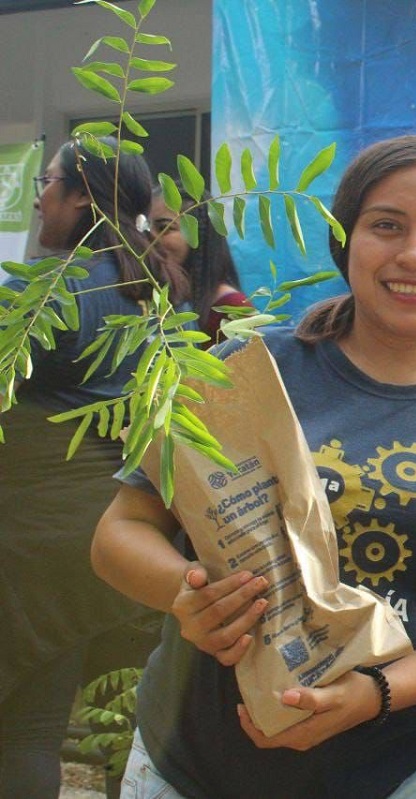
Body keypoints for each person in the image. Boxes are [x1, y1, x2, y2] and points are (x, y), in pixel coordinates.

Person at [91, 134, 416, 799]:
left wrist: (374, 694)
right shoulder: (245, 368)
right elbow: (121, 531)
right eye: (387, 226)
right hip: (188, 766)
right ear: (346, 239)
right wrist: (185, 593)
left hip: (396, 772)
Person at [0, 138, 189, 799]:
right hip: (104, 534)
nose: (40, 195)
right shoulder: (152, 295)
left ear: (80, 196)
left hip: (25, 536)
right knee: (35, 723)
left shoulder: (54, 289)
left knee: (20, 725)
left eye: (48, 181)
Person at [150, 188, 253, 345]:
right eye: (145, 227)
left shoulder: (233, 308)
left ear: (198, 234)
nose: (150, 237)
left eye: (164, 228)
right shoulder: (156, 301)